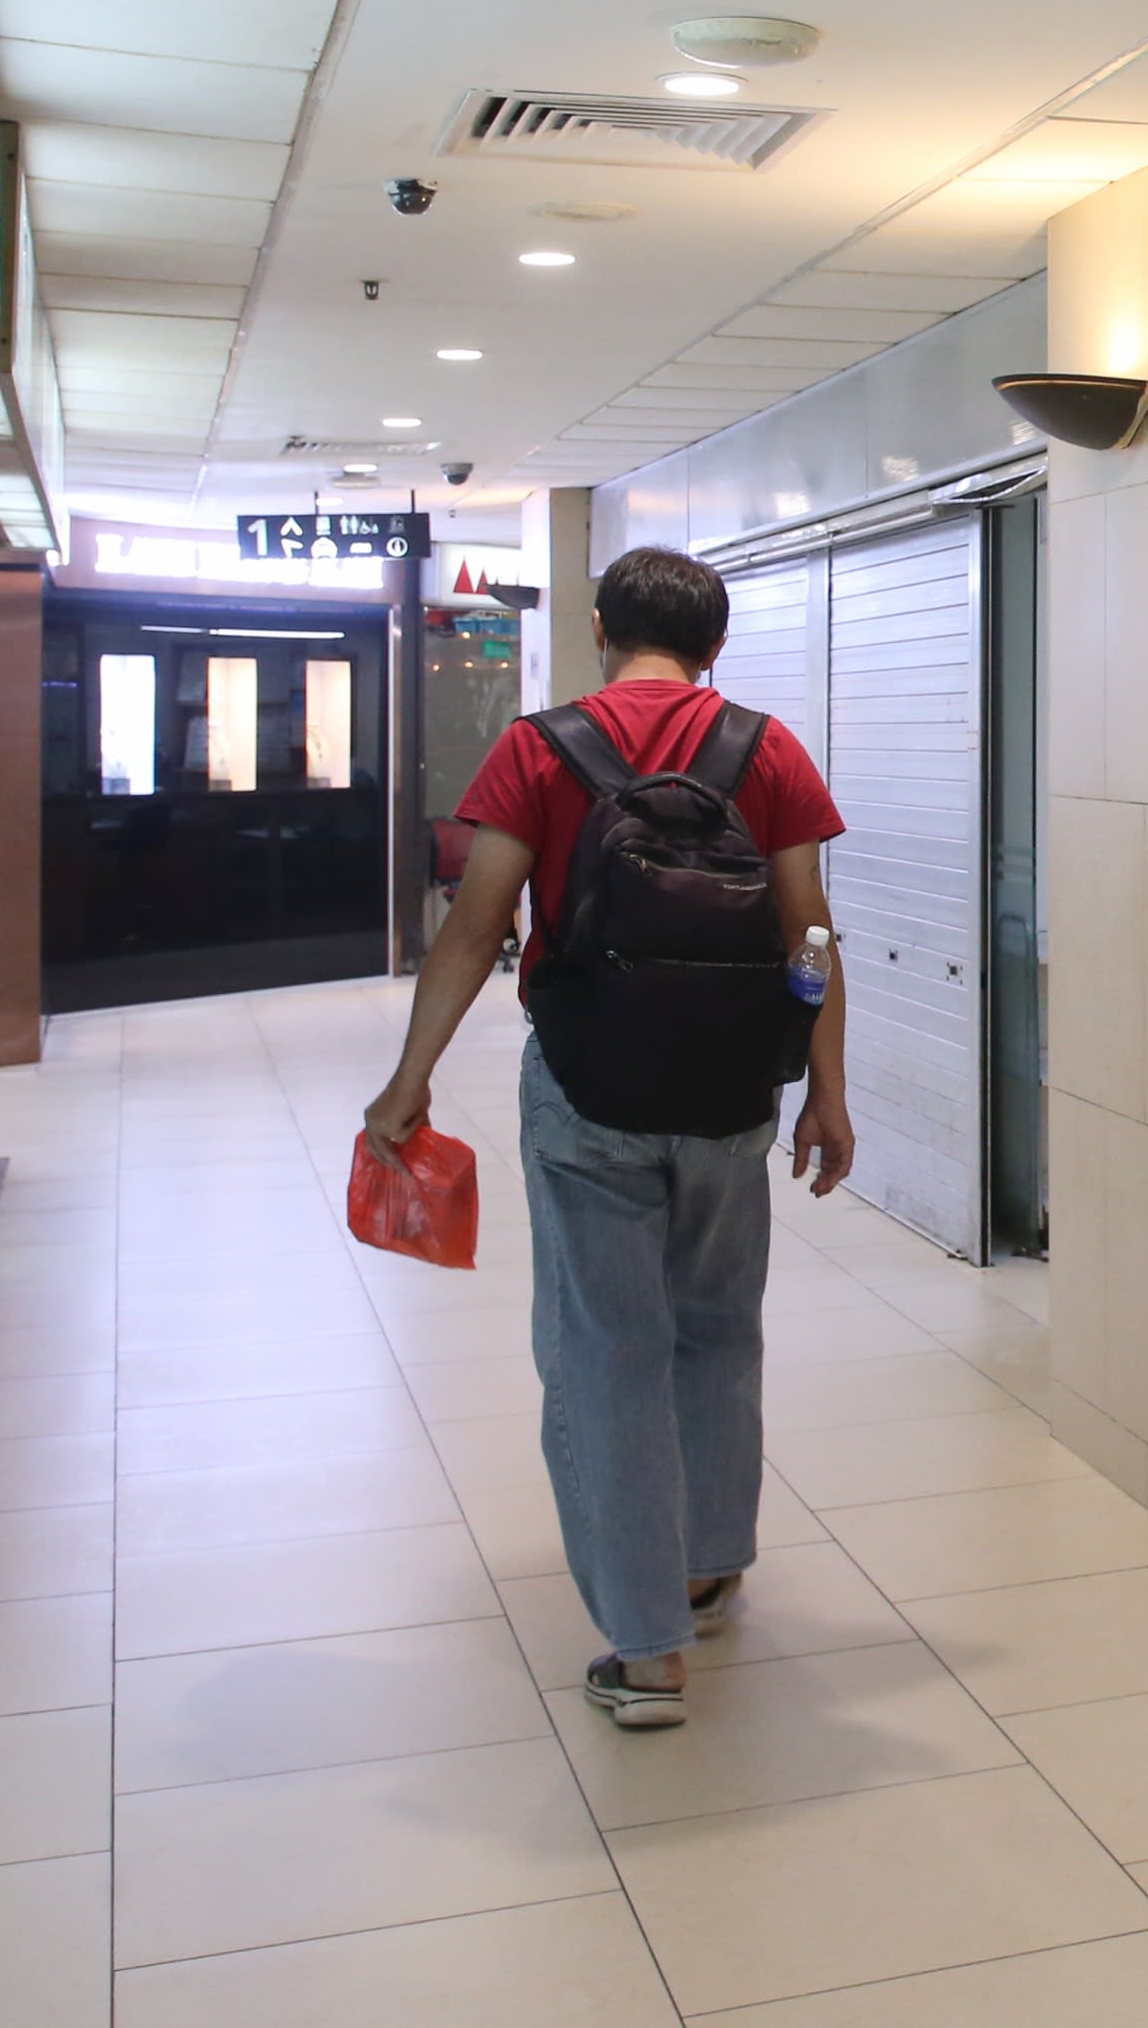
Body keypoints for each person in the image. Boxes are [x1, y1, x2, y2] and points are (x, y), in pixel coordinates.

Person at [363, 546, 854, 1728]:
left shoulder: (540, 747)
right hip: (732, 1095)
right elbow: (813, 937)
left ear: (595, 630)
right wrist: (828, 1090)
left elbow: (477, 928)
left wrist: (406, 1083)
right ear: (714, 647)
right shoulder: (766, 746)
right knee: (717, 1331)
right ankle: (702, 1566)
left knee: (605, 1350)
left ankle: (645, 1652)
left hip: (587, 1091)